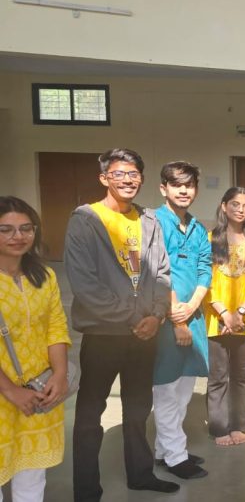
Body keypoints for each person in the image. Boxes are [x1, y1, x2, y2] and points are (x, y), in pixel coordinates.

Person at [66, 148, 176, 499]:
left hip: (145, 334)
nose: (128, 180)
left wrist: (157, 316)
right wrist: (135, 318)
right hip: (104, 333)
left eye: (134, 174)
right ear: (104, 178)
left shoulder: (148, 220)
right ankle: (86, 489)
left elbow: (162, 274)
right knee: (90, 414)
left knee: (139, 408)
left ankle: (141, 474)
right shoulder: (86, 219)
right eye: (119, 174)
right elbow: (85, 284)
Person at [0, 197, 72, 502]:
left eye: (25, 228)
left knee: (32, 474)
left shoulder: (44, 276)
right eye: (6, 229)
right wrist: (11, 391)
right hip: (6, 393)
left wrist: (59, 374)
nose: (18, 236)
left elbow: (56, 326)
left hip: (38, 389)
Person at [151, 162, 211, 480]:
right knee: (166, 390)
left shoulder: (197, 227)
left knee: (185, 389)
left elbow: (204, 268)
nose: (184, 190)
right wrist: (177, 317)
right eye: (177, 185)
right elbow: (157, 271)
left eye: (189, 185)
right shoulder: (154, 223)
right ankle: (176, 456)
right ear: (164, 188)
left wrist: (192, 307)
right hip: (166, 319)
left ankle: (166, 451)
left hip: (193, 315)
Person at [205, 187, 245, 447]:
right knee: (218, 377)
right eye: (235, 204)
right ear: (224, 206)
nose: (241, 210)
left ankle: (239, 425)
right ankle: (219, 428)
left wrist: (240, 311)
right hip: (216, 318)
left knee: (241, 376)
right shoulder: (210, 239)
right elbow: (204, 280)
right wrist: (223, 312)